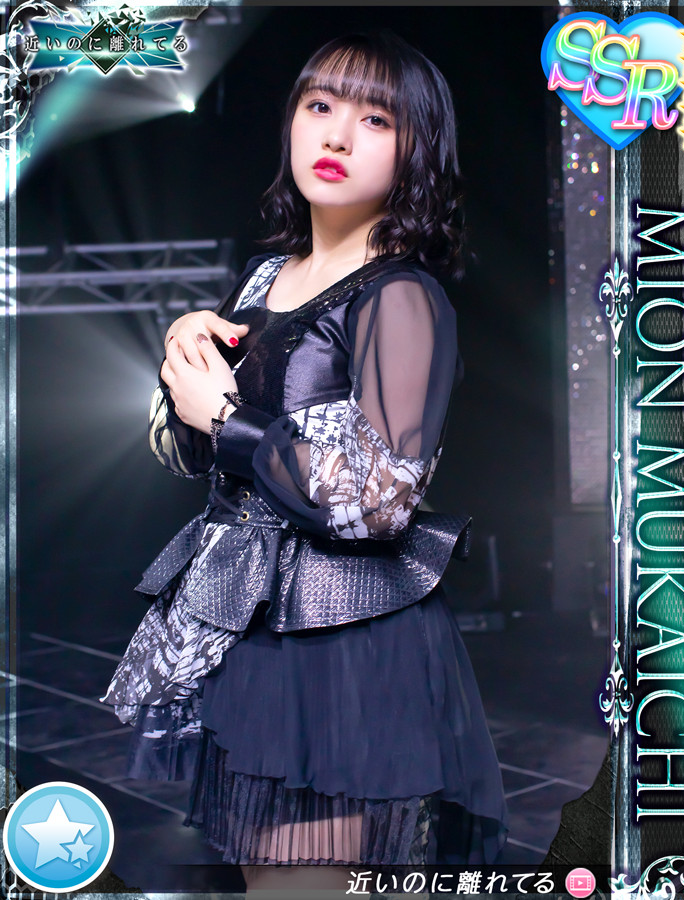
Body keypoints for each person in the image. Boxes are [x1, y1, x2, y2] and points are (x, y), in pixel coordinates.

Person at [102, 30, 508, 893]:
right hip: (248, 619)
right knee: (266, 883)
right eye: (320, 106)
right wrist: (182, 363)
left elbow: (382, 500)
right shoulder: (261, 277)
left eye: (375, 120)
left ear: (416, 149)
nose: (337, 135)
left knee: (305, 887)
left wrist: (228, 418)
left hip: (343, 637)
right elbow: (189, 454)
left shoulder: (400, 294)